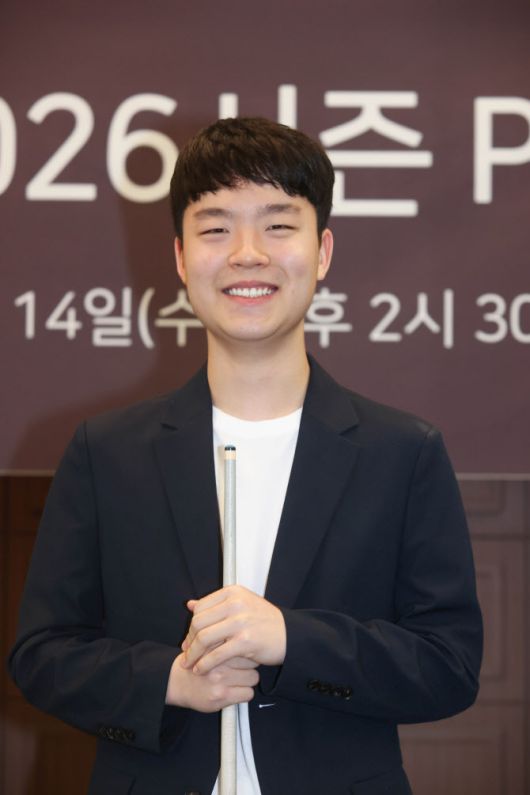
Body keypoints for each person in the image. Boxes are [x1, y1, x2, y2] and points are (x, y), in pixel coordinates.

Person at [9, 117, 483, 795]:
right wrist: (168, 681)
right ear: (180, 257)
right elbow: (42, 654)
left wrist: (291, 639)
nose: (248, 253)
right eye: (216, 228)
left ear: (322, 250)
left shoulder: (403, 452)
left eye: (278, 225)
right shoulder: (107, 451)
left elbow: (449, 664)